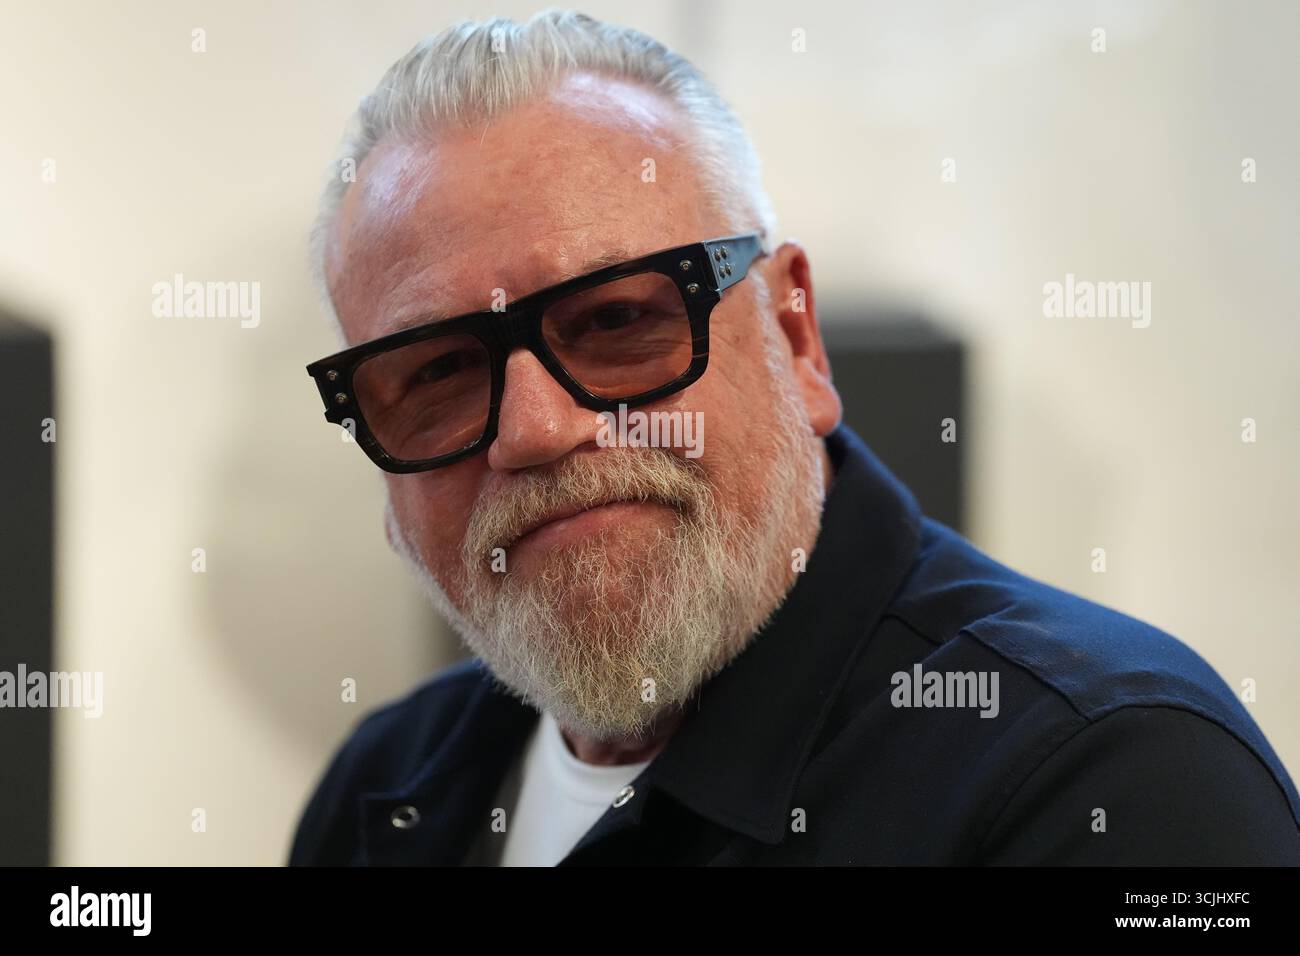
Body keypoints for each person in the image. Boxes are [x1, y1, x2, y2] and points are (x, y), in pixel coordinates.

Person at [289, 10, 1300, 865]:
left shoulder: (1113, 785)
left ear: (795, 336)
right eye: (436, 373)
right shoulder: (384, 792)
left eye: (615, 321)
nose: (538, 427)